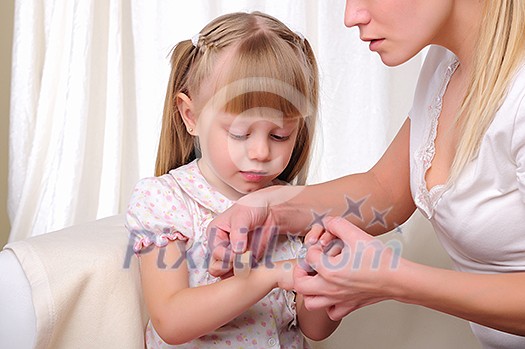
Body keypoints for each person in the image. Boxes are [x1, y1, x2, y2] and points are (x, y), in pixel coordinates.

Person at [207, 1, 525, 348]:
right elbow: (385, 190)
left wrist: (395, 281)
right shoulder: (445, 63)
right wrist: (267, 208)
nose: (351, 16)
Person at [125, 11, 340, 349]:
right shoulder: (166, 199)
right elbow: (171, 320)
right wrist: (268, 276)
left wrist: (324, 269)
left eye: (280, 135)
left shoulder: (293, 205)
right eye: (240, 133)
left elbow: (315, 330)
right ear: (190, 115)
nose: (259, 151)